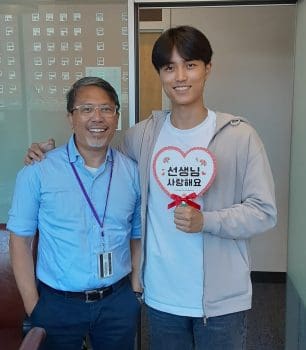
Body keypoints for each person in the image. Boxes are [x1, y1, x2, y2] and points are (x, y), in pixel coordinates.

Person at [24, 26, 277, 350]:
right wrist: (44, 154)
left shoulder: (239, 136)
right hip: (161, 299)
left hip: (222, 303)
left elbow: (264, 212)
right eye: (169, 67)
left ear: (207, 68)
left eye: (190, 64)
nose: (180, 76)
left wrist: (207, 221)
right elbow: (97, 160)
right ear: (160, 73)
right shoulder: (140, 137)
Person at [8, 77, 142, 350]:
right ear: (71, 117)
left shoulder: (131, 172)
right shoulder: (38, 171)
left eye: (106, 109)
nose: (97, 117)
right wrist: (35, 307)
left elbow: (136, 235)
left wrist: (135, 291)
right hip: (57, 305)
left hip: (117, 302)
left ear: (116, 116)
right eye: (86, 109)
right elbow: (19, 242)